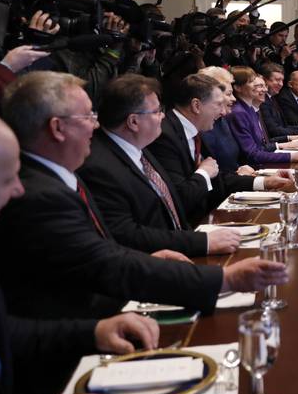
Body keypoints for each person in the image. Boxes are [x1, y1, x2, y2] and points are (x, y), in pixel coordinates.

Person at [0, 71, 290, 322]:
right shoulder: (51, 188)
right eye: (87, 116)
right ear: (57, 128)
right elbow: (107, 258)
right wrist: (224, 278)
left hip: (144, 279)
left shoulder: (129, 152)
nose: (95, 124)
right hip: (98, 321)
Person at [0, 115, 159, 394]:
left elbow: (7, 333)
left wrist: (95, 331)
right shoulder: (40, 195)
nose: (18, 189)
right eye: (7, 180)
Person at [78, 74, 241, 258]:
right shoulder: (100, 166)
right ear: (133, 122)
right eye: (156, 112)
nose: (163, 116)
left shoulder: (139, 148)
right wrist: (203, 242)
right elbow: (127, 234)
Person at [147, 74, 295, 221]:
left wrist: (265, 182)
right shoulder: (165, 136)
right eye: (218, 105)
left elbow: (218, 179)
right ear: (196, 106)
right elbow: (179, 198)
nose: (223, 112)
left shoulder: (194, 130)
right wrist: (204, 173)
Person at [228, 67, 298, 167]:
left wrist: (284, 143)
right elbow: (253, 154)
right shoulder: (239, 112)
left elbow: (261, 145)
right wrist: (290, 156)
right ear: (237, 88)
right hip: (254, 168)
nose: (264, 89)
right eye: (251, 82)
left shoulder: (249, 109)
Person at [198, 66, 253, 174]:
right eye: (228, 94)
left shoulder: (222, 120)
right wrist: (238, 175)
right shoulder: (201, 127)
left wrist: (241, 170)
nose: (234, 98)